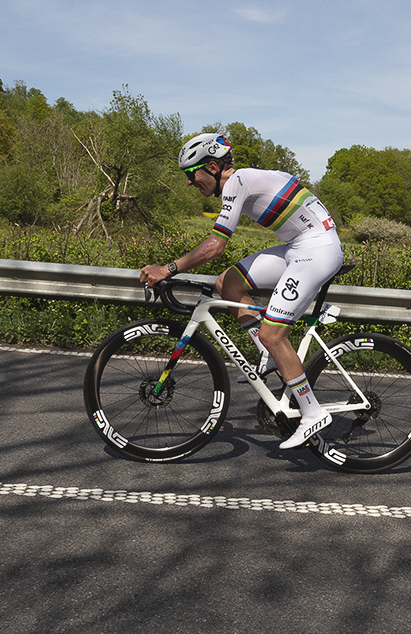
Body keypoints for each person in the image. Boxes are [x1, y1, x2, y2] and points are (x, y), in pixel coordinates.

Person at [139, 133, 343, 450]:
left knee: (273, 334)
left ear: (210, 166)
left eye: (191, 175)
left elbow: (215, 246)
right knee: (228, 282)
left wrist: (167, 269)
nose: (190, 183)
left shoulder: (237, 182)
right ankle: (267, 354)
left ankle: (311, 411)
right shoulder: (243, 181)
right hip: (300, 245)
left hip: (317, 248)